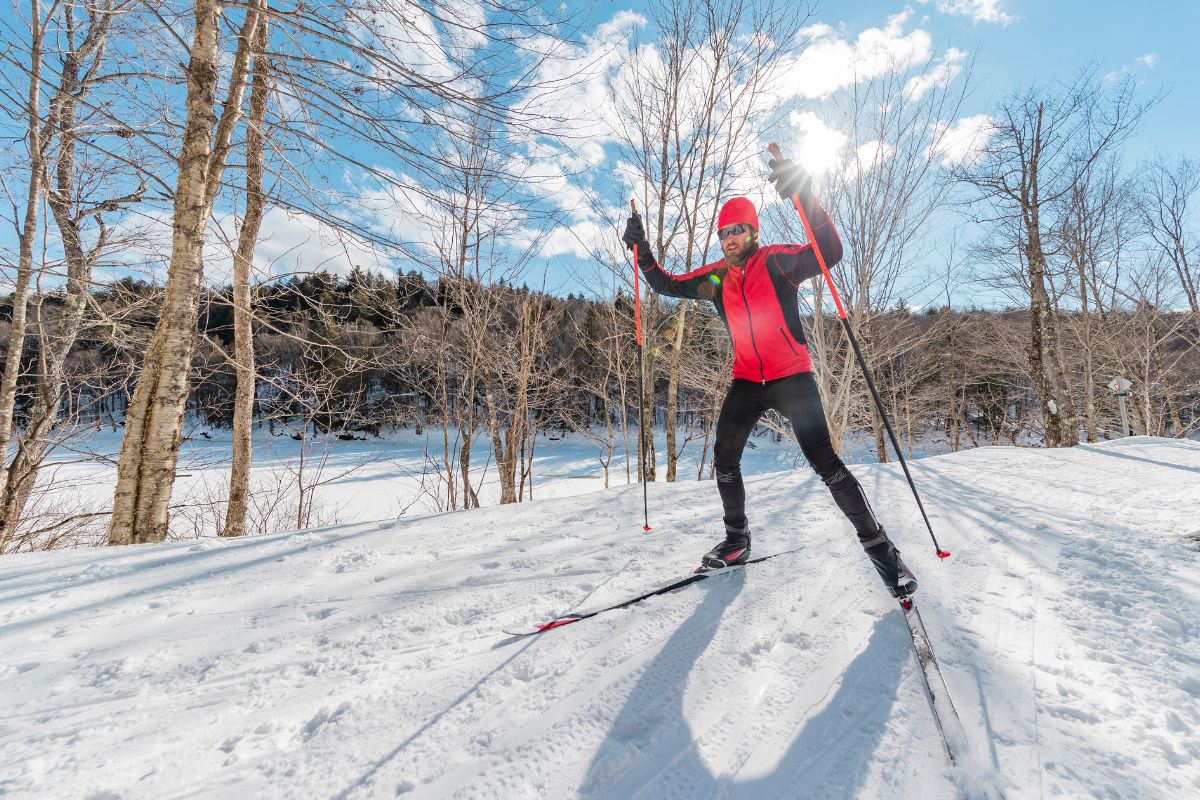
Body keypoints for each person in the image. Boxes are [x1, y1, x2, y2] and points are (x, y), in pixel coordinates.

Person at [620, 157, 917, 598]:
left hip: (792, 377)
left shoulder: (778, 261)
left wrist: (807, 197)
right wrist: (642, 252)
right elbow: (665, 283)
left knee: (826, 464)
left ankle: (883, 553)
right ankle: (737, 540)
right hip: (746, 382)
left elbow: (830, 252)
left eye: (736, 230)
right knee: (724, 456)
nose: (728, 239)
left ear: (752, 232)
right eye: (722, 233)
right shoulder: (716, 277)